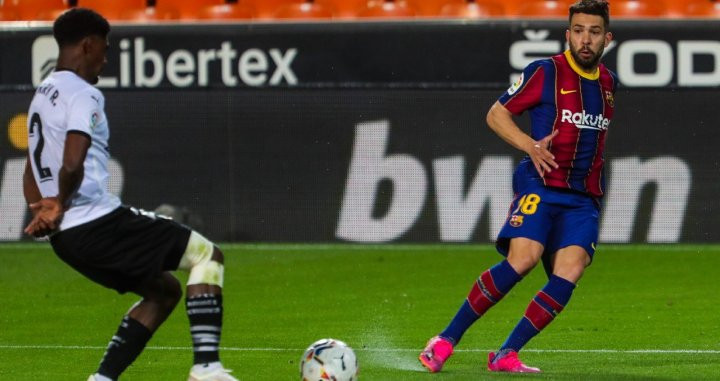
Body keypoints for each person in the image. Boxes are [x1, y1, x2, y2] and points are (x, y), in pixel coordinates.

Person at [23, 8, 238, 381]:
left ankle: (102, 379)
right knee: (207, 255)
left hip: (67, 240)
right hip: (96, 222)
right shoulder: (83, 94)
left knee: (164, 292)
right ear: (88, 45)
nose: (105, 61)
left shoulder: (42, 94)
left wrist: (39, 207)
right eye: (104, 51)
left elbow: (31, 165)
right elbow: (72, 161)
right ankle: (207, 368)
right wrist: (58, 202)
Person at [419, 0, 617, 374]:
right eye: (578, 31)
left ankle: (506, 354)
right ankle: (445, 339)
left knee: (570, 270)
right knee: (523, 258)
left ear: (607, 38)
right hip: (540, 185)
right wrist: (530, 145)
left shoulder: (608, 84)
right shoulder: (545, 72)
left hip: (583, 198)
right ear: (568, 34)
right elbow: (497, 114)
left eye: (593, 32)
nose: (585, 39)